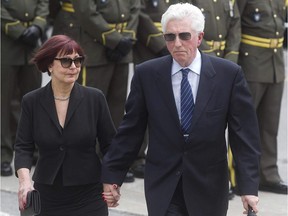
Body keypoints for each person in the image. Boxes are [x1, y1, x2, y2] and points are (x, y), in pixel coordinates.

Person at [101, 3, 261, 216]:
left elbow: (244, 137)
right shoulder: (147, 74)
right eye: (169, 37)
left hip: (209, 186)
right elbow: (131, 131)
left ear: (199, 37)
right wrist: (113, 175)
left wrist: (248, 188)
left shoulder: (228, 75)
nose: (177, 43)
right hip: (163, 184)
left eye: (184, 36)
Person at [14, 35, 117, 216]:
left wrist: (112, 181)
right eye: (66, 61)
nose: (73, 67)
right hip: (47, 196)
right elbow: (23, 146)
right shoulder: (32, 101)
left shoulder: (95, 98)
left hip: (89, 194)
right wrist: (24, 181)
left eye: (77, 61)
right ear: (49, 65)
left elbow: (110, 145)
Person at [50, 0, 141, 182]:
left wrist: (126, 40)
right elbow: (85, 11)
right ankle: (84, 161)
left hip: (122, 48)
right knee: (88, 108)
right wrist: (113, 39)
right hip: (93, 44)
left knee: (116, 106)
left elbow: (135, 6)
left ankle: (111, 160)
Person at [130, 0, 189, 179]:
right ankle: (138, 157)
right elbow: (138, 12)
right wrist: (161, 44)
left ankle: (170, 154)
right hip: (150, 45)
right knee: (145, 105)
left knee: (175, 103)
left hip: (178, 43)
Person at [191, 0, 241, 199]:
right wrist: (210, 56)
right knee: (201, 124)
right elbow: (189, 27)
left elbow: (235, 25)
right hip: (202, 62)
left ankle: (226, 178)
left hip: (225, 64)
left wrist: (230, 57)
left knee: (228, 123)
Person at [236, 0, 288, 194]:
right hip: (252, 63)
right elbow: (235, 24)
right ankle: (239, 177)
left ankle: (268, 174)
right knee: (245, 125)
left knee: (269, 125)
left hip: (275, 63)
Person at [1, 0, 48, 177]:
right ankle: (3, 155)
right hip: (5, 44)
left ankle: (35, 150)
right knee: (3, 103)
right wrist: (19, 32)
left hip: (32, 45)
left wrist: (38, 27)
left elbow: (43, 4)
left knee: (34, 101)